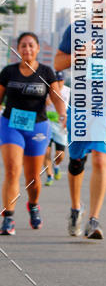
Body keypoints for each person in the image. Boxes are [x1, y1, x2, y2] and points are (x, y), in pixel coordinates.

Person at [54, 0, 106, 240]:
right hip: (79, 104)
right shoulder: (76, 29)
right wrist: (80, 54)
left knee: (101, 159)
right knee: (77, 161)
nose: (104, 3)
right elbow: (57, 63)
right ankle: (76, 209)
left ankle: (94, 219)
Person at [0, 32, 66, 234]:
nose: (27, 49)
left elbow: (56, 98)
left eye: (31, 45)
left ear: (37, 49)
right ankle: (8, 217)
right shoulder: (8, 71)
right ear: (17, 49)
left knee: (32, 178)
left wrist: (63, 114)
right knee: (12, 170)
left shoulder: (46, 72)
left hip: (37, 126)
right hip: (11, 124)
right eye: (23, 46)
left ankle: (33, 204)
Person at [44, 71, 70, 185]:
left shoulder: (69, 91)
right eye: (56, 80)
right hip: (47, 122)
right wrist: (45, 101)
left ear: (63, 80)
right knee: (46, 151)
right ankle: (49, 175)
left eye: (60, 80)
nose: (58, 83)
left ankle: (56, 165)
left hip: (61, 125)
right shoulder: (46, 89)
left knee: (60, 154)